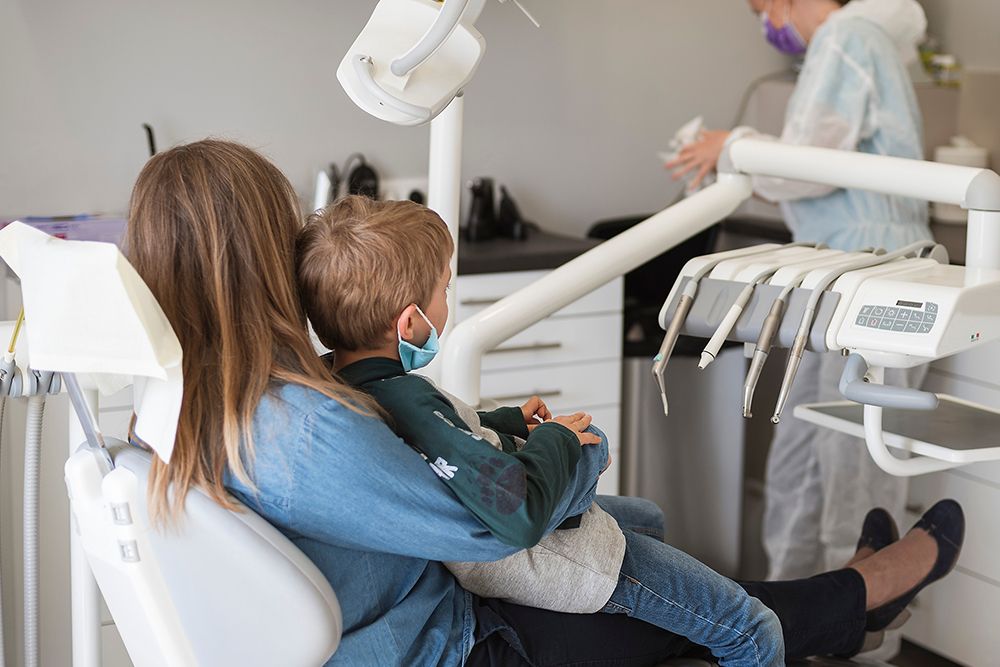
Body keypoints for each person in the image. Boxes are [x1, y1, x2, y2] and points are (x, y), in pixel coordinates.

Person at [125, 139, 963, 667]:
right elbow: (503, 517)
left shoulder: (191, 396)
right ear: (263, 259)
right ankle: (860, 593)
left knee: (645, 532)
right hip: (457, 637)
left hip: (416, 600)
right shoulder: (299, 426)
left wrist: (491, 428)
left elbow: (417, 458)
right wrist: (574, 443)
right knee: (710, 611)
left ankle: (852, 603)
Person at [295, 195, 784, 666]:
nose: (447, 303)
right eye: (444, 291)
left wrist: (501, 423)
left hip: (491, 560)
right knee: (753, 628)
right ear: (410, 322)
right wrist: (561, 442)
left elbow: (441, 440)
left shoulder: (340, 382)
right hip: (549, 560)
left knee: (648, 516)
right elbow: (518, 510)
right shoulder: (409, 400)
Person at [668, 0, 933, 581]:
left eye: (764, 8)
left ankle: (860, 632)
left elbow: (809, 165)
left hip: (878, 278)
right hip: (840, 276)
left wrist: (732, 147)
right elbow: (816, 171)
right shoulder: (849, 42)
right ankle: (793, 617)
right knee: (805, 456)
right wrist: (736, 157)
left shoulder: (847, 37)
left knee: (853, 473)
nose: (769, 24)